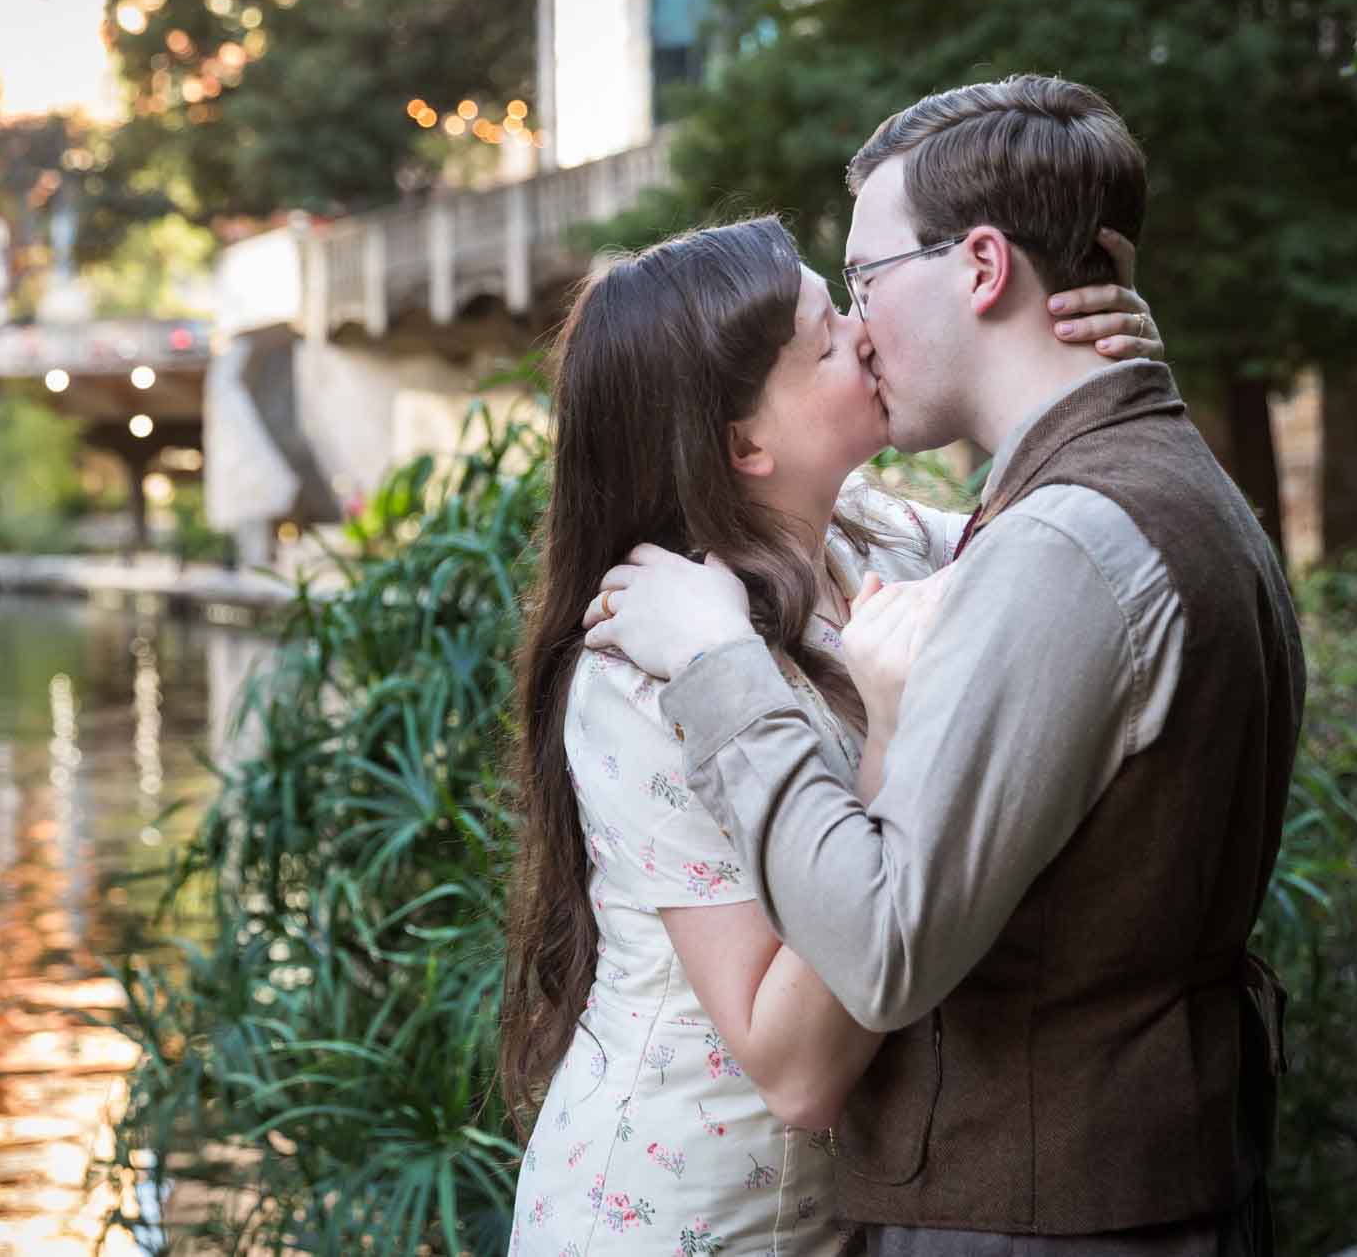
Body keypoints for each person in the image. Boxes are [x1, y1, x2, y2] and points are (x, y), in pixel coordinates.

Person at [584, 75, 1303, 1256]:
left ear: (978, 266)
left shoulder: (1053, 543)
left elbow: (878, 948)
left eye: (860, 282)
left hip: (1045, 1202)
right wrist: (1111, 357)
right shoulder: (1086, 502)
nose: (860, 329)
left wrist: (720, 662)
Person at [501, 207, 1162, 1253]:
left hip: (847, 1209)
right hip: (676, 1221)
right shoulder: (640, 671)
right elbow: (796, 1069)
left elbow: (1058, 542)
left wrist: (1098, 367)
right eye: (826, 336)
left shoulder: (876, 538)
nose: (867, 330)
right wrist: (892, 744)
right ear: (744, 443)